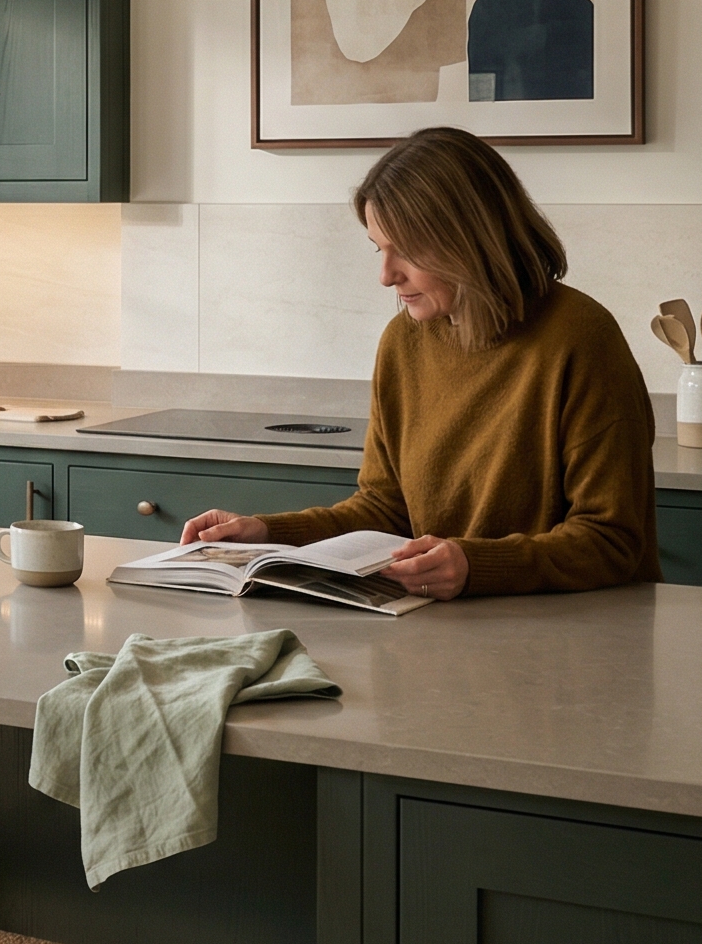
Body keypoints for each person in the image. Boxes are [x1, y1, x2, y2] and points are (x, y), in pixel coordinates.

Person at [180, 127, 660, 600]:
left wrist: (475, 566)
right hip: (444, 629)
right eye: (379, 249)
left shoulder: (582, 339)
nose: (386, 275)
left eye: (405, 251)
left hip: (574, 639)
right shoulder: (402, 343)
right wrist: (269, 533)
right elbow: (386, 508)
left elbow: (612, 540)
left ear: (470, 239)